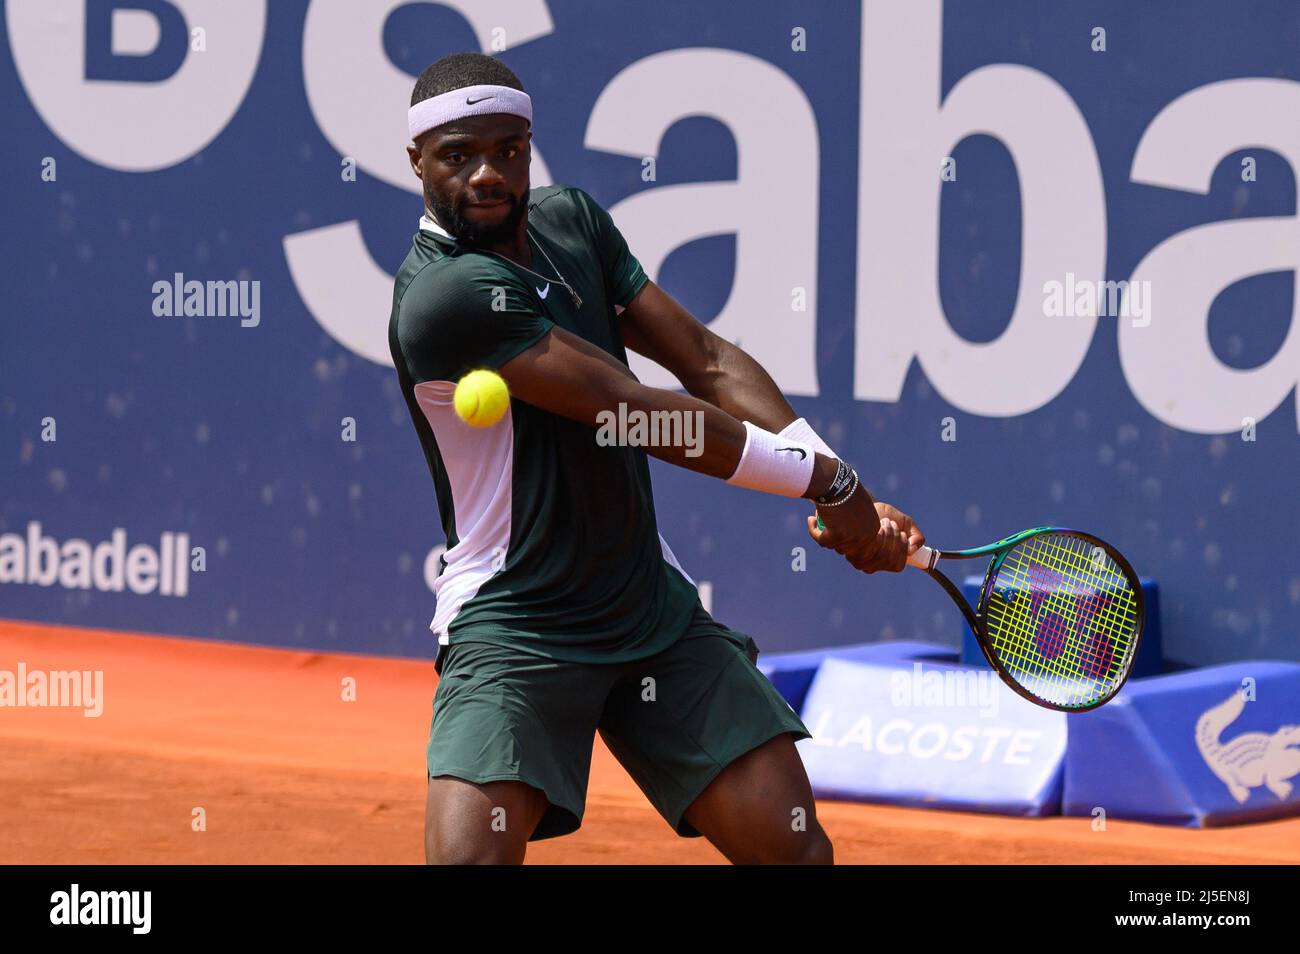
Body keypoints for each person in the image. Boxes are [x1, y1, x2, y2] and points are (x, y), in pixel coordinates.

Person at [389, 51, 925, 864]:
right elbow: (638, 414)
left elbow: (706, 360)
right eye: (459, 155)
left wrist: (835, 491)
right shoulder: (445, 296)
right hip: (516, 620)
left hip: (647, 606)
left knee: (795, 850)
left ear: (530, 144)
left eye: (508, 149)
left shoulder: (572, 221)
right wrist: (831, 483)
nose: (488, 174)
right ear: (418, 163)